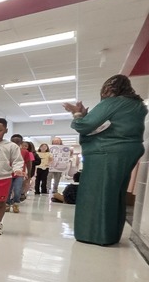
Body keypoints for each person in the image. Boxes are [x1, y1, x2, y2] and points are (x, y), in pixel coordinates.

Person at [63, 74, 148, 245]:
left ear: (109, 89)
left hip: (106, 153)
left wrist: (78, 114)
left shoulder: (113, 102)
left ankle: (94, 234)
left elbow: (85, 125)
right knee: (115, 193)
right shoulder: (138, 106)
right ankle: (110, 233)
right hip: (129, 151)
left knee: (95, 193)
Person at [5, 134, 31, 213]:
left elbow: (28, 163)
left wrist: (29, 174)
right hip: (8, 174)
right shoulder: (6, 151)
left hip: (19, 174)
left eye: (18, 142)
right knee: (8, 190)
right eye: (13, 141)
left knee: (17, 189)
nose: (15, 143)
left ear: (21, 142)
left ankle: (16, 203)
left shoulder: (25, 152)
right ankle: (7, 204)